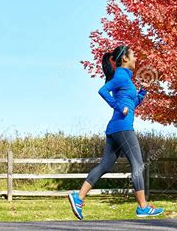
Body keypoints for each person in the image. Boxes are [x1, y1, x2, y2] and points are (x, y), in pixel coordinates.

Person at [68, 45, 164, 220]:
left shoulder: (125, 79)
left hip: (115, 128)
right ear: (125, 59)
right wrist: (118, 106)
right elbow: (103, 91)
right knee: (138, 164)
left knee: (105, 165)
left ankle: (78, 197)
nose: (136, 58)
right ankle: (143, 207)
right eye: (134, 55)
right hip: (123, 127)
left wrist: (142, 91)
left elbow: (132, 104)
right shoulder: (121, 76)